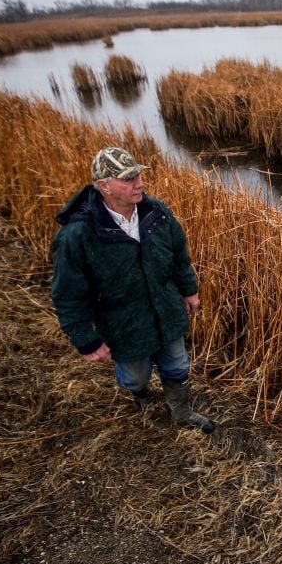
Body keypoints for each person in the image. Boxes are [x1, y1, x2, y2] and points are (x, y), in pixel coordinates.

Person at [50, 146, 215, 433]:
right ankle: (141, 396)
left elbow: (178, 255)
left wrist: (189, 290)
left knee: (177, 364)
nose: (139, 182)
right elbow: (68, 295)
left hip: (166, 310)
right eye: (128, 179)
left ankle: (181, 411)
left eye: (138, 175)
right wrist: (86, 340)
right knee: (136, 377)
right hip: (123, 324)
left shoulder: (157, 213)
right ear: (104, 186)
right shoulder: (78, 236)